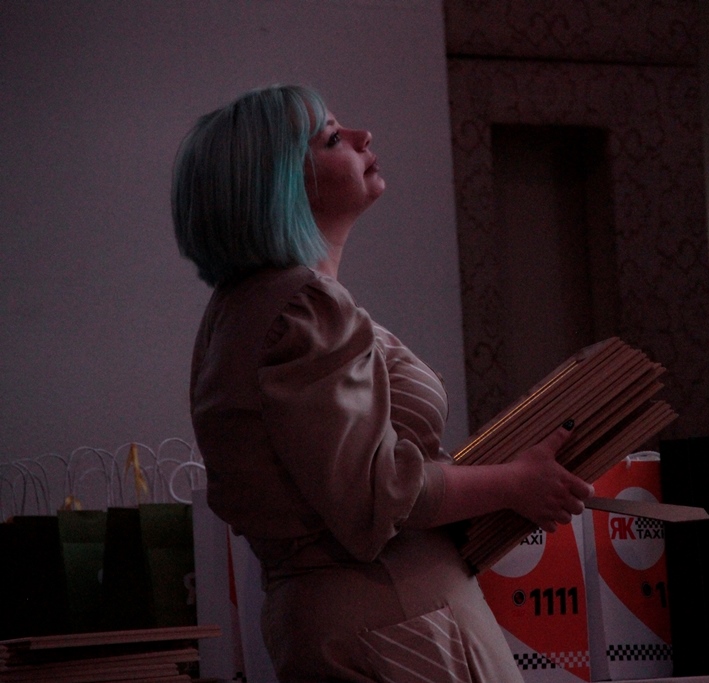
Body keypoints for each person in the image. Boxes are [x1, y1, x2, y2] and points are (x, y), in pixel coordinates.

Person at [172, 84, 594, 683]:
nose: (363, 137)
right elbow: (380, 493)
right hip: (396, 625)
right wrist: (515, 483)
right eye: (332, 139)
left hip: (354, 619)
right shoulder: (302, 307)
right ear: (281, 185)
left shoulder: (237, 311)